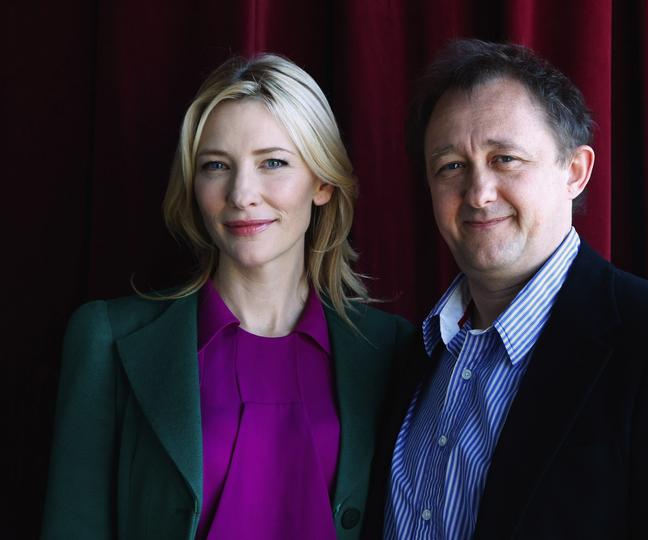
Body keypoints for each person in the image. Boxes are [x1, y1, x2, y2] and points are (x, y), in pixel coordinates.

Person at [363, 39, 648, 539]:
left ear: (575, 172)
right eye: (451, 166)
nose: (479, 193)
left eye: (506, 158)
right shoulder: (411, 357)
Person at [42, 53, 415, 540]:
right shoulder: (108, 341)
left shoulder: (393, 350)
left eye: (273, 163)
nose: (242, 193)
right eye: (216, 165)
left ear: (322, 182)